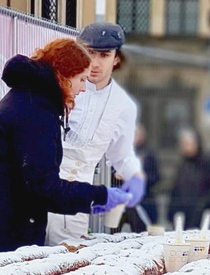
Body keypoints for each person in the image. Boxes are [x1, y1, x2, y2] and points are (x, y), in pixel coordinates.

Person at [0, 38, 130, 258]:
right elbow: (44, 187)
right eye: (81, 79)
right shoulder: (35, 111)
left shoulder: (32, 100)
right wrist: (99, 195)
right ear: (65, 74)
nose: (83, 88)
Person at [45, 22, 145, 245]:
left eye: (104, 55)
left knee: (65, 267)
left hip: (76, 203)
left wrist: (135, 177)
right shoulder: (59, 85)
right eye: (90, 53)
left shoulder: (124, 106)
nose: (95, 63)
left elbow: (121, 155)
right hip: (38, 191)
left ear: (116, 58)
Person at [115, 123, 161, 232]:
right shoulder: (120, 153)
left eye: (137, 134)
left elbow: (156, 178)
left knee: (143, 232)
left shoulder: (149, 154)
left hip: (144, 200)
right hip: (123, 201)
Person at [167, 128, 210, 229]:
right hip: (182, 217)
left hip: (199, 217)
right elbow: (175, 190)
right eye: (183, 144)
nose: (185, 147)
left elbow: (209, 191)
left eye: (188, 144)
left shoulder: (205, 164)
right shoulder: (182, 165)